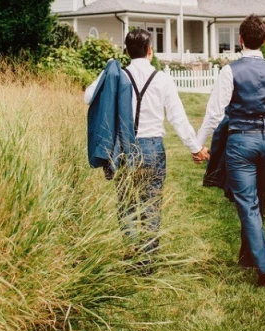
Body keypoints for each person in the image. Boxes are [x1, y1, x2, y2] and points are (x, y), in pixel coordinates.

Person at [84, 29, 207, 263]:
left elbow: (88, 96)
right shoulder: (162, 79)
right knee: (151, 202)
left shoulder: (117, 76)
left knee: (127, 203)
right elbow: (177, 118)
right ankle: (147, 259)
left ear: (127, 52)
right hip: (152, 148)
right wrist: (195, 147)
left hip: (124, 148)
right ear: (150, 50)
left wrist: (107, 72)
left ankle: (131, 253)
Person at [197, 14, 265, 288]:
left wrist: (199, 143)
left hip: (241, 142)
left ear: (240, 40)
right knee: (257, 201)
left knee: (249, 205)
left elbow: (215, 113)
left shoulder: (230, 71)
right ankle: (247, 257)